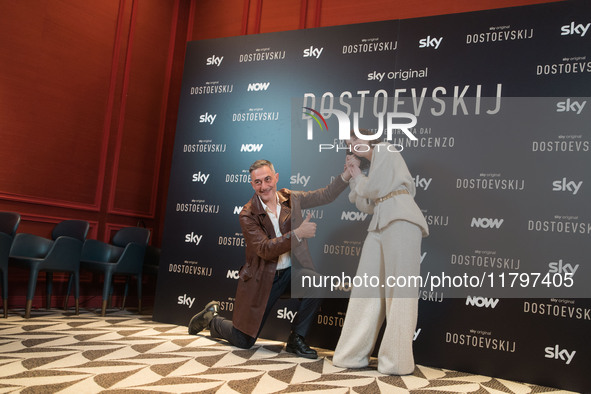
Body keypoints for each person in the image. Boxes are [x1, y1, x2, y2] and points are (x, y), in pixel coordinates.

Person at [189, 159, 351, 358]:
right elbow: (265, 249)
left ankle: (296, 339)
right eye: (257, 182)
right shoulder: (247, 214)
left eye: (267, 179)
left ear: (276, 178)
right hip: (264, 279)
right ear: (252, 184)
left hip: (291, 273)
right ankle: (211, 319)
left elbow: (325, 195)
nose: (264, 186)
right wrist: (298, 234)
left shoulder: (290, 198)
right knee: (243, 341)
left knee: (316, 282)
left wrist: (346, 176)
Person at [332, 130, 429, 375]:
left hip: (402, 218)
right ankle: (351, 355)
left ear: (369, 137)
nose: (352, 147)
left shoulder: (385, 149)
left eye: (354, 141)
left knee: (401, 290)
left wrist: (357, 176)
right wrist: (355, 177)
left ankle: (396, 361)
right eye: (348, 145)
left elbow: (373, 189)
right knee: (366, 288)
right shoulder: (373, 167)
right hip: (379, 221)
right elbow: (365, 203)